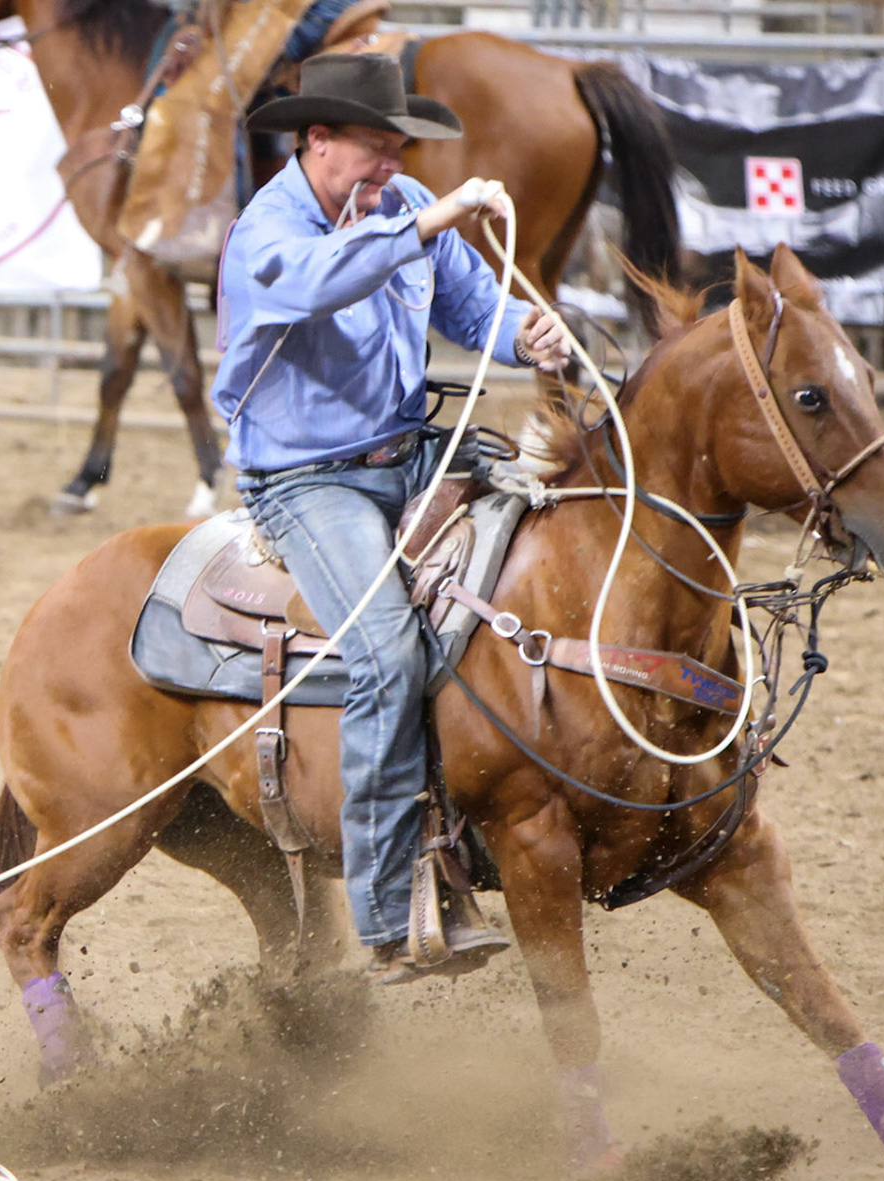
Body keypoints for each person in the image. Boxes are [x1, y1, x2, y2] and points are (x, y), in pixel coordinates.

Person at [213, 52, 573, 982]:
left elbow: (471, 306)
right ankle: (385, 912)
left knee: (551, 535)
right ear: (317, 140)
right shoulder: (268, 231)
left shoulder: (402, 201)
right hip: (307, 480)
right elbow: (324, 281)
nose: (387, 167)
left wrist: (525, 329)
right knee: (384, 649)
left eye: (395, 150)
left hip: (409, 451)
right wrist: (432, 219)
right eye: (374, 149)